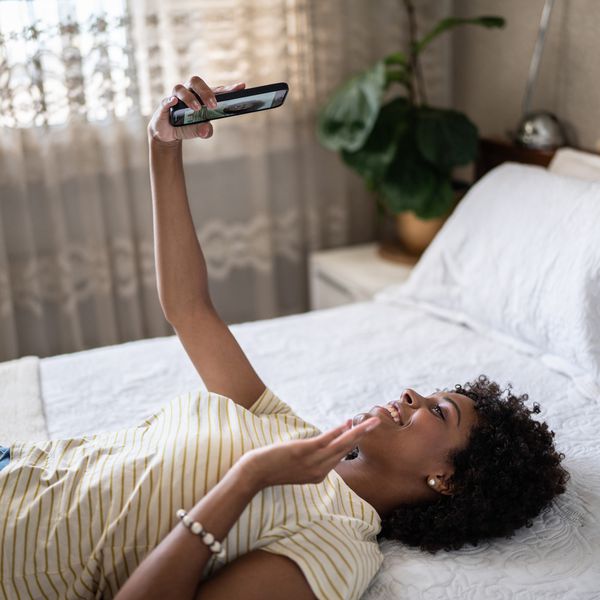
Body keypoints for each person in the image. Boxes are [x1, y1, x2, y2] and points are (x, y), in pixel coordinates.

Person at [0, 76, 568, 600]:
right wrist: (163, 147)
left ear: (444, 479)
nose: (415, 395)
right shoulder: (288, 430)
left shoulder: (337, 549)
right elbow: (189, 309)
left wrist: (248, 479)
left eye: (440, 412)